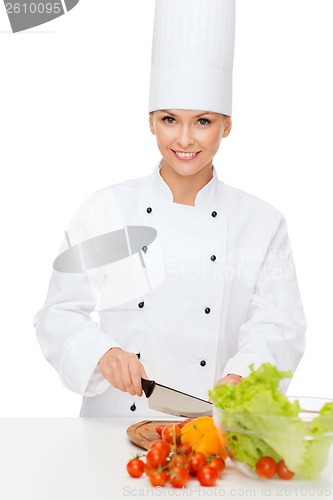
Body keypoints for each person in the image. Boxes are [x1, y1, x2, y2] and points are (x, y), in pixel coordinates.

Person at [34, 0, 306, 417]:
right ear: (150, 121)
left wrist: (244, 376)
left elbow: (280, 325)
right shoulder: (108, 209)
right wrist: (103, 353)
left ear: (227, 125)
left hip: (210, 428)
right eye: (169, 120)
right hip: (112, 429)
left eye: (203, 122)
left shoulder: (262, 223)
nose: (184, 139)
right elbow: (59, 312)